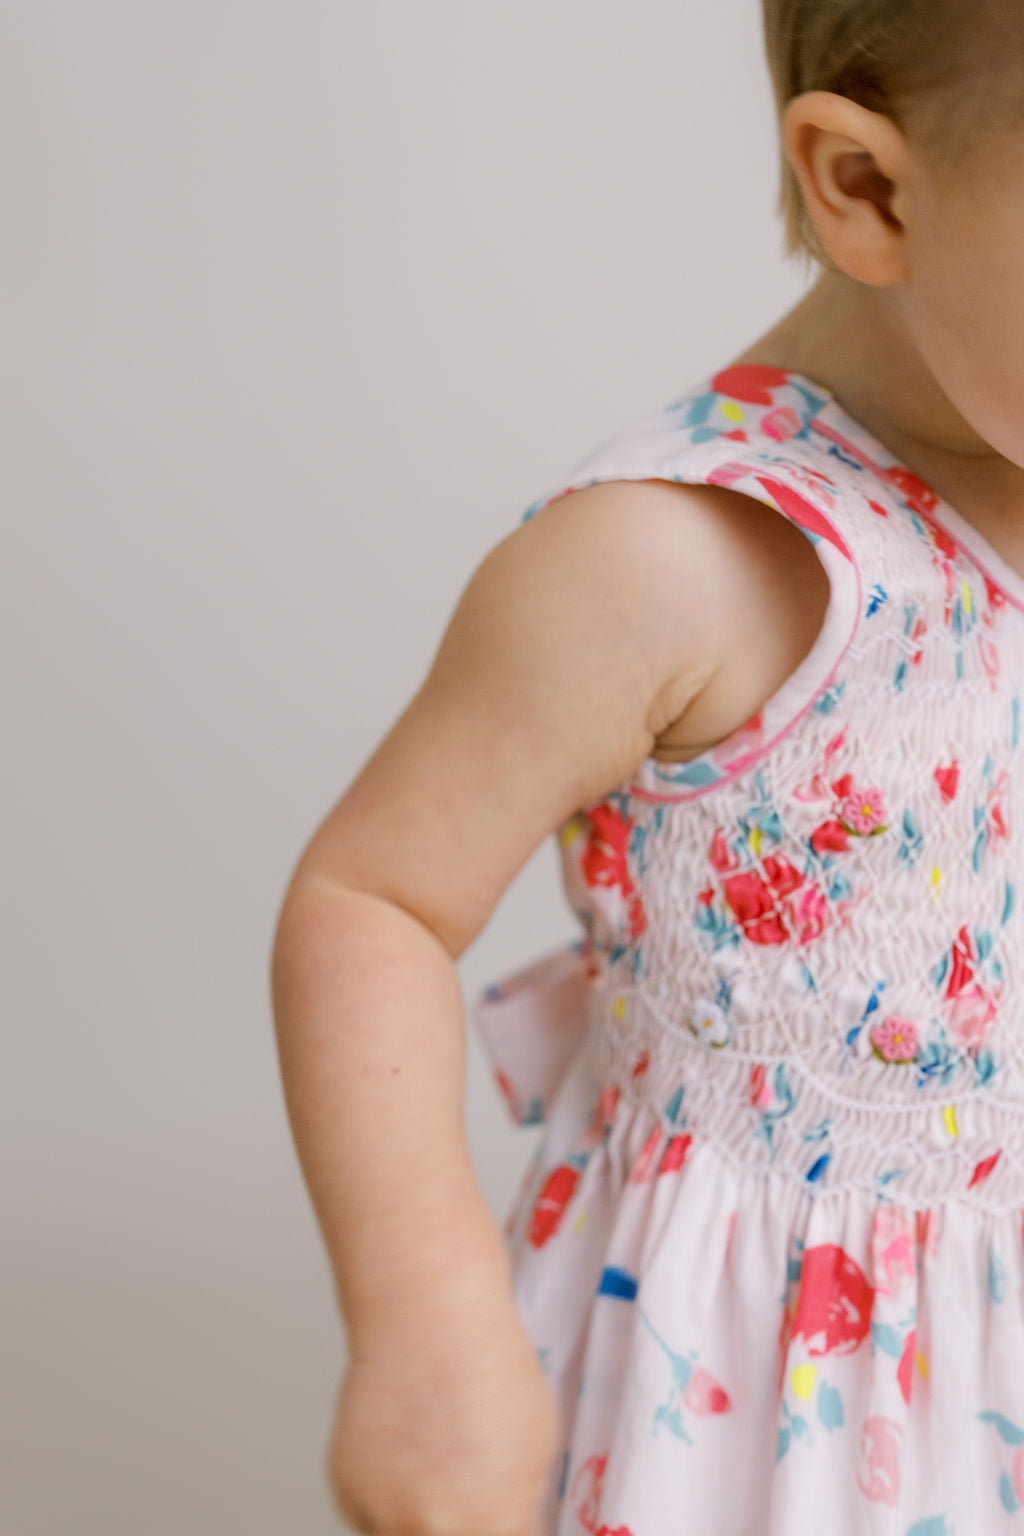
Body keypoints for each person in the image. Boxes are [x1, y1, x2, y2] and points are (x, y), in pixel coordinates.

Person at [269, 3, 1024, 1532]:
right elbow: (375, 898)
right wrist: (425, 1330)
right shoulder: (683, 563)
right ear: (868, 189)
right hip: (777, 1419)